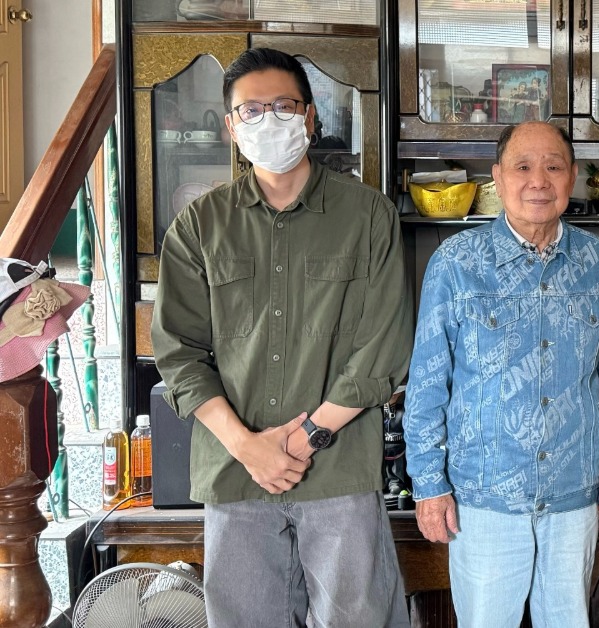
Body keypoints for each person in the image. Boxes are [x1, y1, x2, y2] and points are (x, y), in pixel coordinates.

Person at [151, 47, 412, 627]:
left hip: (340, 473)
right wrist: (248, 447)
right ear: (230, 126)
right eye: (251, 110)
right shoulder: (199, 225)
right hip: (235, 475)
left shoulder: (369, 216)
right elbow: (178, 353)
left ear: (310, 117)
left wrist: (305, 439)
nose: (268, 120)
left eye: (284, 106)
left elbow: (384, 346)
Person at [404, 121, 599, 628]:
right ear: (497, 178)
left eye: (553, 167)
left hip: (573, 497)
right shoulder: (456, 262)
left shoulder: (595, 260)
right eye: (522, 167)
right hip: (483, 500)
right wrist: (429, 485)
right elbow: (428, 383)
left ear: (572, 177)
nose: (538, 181)